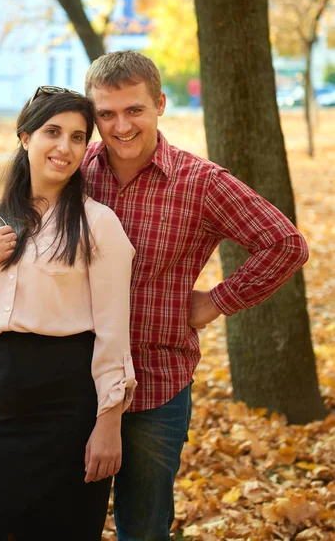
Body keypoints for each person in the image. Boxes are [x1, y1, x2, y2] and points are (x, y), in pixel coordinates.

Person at [81, 50, 309, 541]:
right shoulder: (77, 171)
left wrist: (215, 302)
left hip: (155, 383)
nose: (121, 126)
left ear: (160, 103)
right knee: (62, 518)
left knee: (142, 526)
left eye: (134, 110)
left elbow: (285, 243)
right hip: (73, 378)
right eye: (106, 113)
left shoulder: (200, 182)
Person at [0, 86, 137, 541]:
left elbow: (112, 332)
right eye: (53, 132)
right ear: (25, 137)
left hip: (67, 406)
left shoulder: (98, 224)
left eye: (77, 137)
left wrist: (108, 423)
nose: (65, 147)